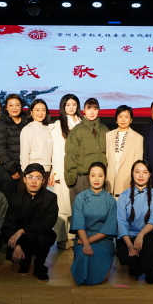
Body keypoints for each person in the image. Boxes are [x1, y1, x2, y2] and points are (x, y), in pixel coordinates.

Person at [2, 163, 58, 282]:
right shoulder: (15, 198)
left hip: (40, 235)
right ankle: (25, 260)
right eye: (30, 177)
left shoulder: (50, 198)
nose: (34, 181)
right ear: (24, 179)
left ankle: (39, 266)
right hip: (21, 239)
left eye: (38, 177)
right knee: (14, 252)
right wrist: (17, 245)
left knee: (43, 239)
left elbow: (48, 223)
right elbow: (9, 224)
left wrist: (23, 231)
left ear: (43, 180)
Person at [116, 161, 153, 284]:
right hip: (128, 236)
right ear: (132, 174)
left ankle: (149, 271)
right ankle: (136, 265)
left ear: (150, 174)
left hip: (148, 236)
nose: (141, 175)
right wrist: (129, 245)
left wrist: (141, 235)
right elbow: (121, 222)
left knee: (149, 242)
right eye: (137, 172)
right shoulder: (124, 196)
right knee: (129, 254)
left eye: (145, 172)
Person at [71, 162, 118, 286]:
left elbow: (109, 227)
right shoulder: (80, 198)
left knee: (99, 267)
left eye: (100, 175)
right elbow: (79, 223)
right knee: (83, 256)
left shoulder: (111, 201)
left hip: (103, 239)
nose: (96, 179)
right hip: (83, 238)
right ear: (88, 177)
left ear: (105, 177)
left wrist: (89, 241)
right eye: (93, 175)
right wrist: (86, 243)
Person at [50, 94, 82, 248]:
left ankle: (73, 235)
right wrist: (53, 171)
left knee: (75, 203)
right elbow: (53, 150)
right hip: (61, 168)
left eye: (74, 104)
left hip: (78, 168)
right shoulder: (56, 126)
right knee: (62, 205)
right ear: (63, 106)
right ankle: (62, 238)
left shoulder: (82, 123)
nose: (71, 107)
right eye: (68, 104)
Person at [65, 98, 108, 203]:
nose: (92, 112)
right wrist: (71, 179)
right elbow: (70, 155)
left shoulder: (105, 129)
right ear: (84, 110)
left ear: (99, 110)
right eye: (89, 108)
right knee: (81, 208)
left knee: (99, 209)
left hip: (100, 177)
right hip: (82, 178)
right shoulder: (77, 130)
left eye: (95, 109)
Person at [0, 94, 27, 201]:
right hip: (8, 172)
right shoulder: (2, 124)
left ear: (21, 106)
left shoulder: (27, 122)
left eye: (17, 105)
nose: (14, 108)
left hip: (24, 170)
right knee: (9, 203)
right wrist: (12, 170)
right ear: (6, 108)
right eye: (11, 105)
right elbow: (0, 149)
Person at [106, 105, 144, 198]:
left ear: (131, 119)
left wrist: (134, 181)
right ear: (116, 119)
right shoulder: (108, 135)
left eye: (126, 117)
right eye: (120, 117)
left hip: (127, 180)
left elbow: (137, 163)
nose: (123, 120)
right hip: (110, 179)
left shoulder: (138, 138)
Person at [20, 99, 54, 185]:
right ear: (31, 112)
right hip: (33, 171)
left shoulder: (49, 128)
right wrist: (27, 174)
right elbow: (24, 155)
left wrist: (53, 171)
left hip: (47, 171)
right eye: (37, 110)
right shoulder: (28, 129)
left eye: (43, 110)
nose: (40, 113)